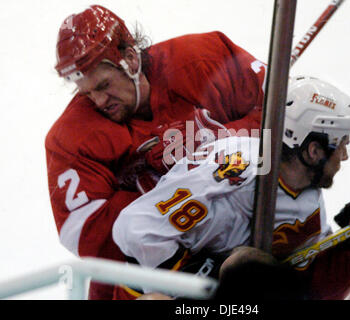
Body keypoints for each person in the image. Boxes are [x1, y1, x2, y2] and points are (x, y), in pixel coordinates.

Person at [113, 76, 350, 299]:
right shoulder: (237, 172)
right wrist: (192, 281)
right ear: (313, 151)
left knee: (254, 272)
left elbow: (312, 289)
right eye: (341, 145)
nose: (343, 155)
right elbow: (135, 227)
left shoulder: (308, 202)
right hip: (143, 290)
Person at [46, 5, 266, 300]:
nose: (99, 100)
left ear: (130, 60)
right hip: (152, 276)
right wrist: (160, 185)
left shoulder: (205, 58)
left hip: (250, 233)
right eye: (87, 92)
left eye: (104, 85)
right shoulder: (72, 136)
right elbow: (89, 236)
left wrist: (207, 150)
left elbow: (285, 124)